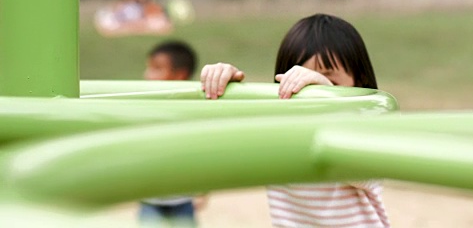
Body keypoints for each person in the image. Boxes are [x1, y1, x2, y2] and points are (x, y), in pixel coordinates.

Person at [200, 13, 391, 228]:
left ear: (360, 81)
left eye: (330, 82)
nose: (311, 96)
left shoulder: (368, 120)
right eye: (300, 84)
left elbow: (362, 171)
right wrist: (225, 86)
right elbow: (223, 141)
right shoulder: (277, 124)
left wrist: (326, 100)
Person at [140, 40, 203, 227]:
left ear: (180, 75)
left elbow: (200, 152)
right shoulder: (141, 107)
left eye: (156, 69)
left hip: (182, 199)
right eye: (149, 68)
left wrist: (203, 190)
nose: (147, 75)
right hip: (150, 200)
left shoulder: (192, 111)